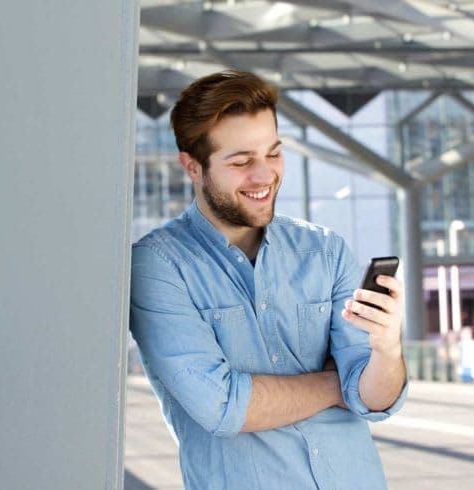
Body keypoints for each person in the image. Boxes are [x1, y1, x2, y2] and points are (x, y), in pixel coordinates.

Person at [129, 70, 408, 490]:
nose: (264, 177)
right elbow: (224, 406)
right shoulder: (158, 266)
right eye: (241, 162)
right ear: (192, 167)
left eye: (273, 154)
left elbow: (374, 398)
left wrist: (387, 350)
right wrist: (337, 383)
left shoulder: (325, 251)